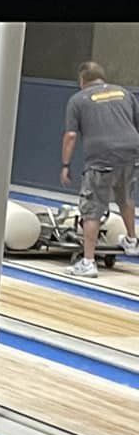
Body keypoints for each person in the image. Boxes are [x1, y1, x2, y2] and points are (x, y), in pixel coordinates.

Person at [59, 60, 139, 279]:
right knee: (125, 197)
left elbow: (71, 136)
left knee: (92, 208)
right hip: (132, 153)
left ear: (81, 80)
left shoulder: (78, 99)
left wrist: (65, 165)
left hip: (102, 158)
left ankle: (88, 262)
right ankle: (132, 241)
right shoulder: (124, 93)